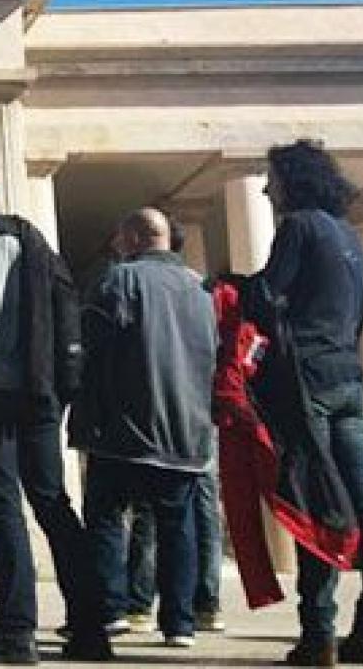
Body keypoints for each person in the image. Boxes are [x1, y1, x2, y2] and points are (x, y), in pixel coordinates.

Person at [0, 154, 110, 664]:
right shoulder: (23, 236)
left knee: (2, 504)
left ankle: (15, 629)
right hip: (38, 386)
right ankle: (92, 626)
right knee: (52, 501)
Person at [249, 140, 363, 667]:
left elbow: (268, 298)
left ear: (293, 179)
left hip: (309, 379)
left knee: (316, 503)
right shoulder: (347, 236)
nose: (267, 188)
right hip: (348, 379)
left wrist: (233, 290)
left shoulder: (300, 226)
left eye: (272, 178)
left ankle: (318, 633)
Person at [74, 208, 218, 649]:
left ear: (136, 237)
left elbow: (93, 350)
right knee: (177, 525)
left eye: (119, 236)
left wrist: (84, 412)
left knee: (105, 517)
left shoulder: (119, 280)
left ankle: (111, 609)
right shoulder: (200, 289)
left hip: (124, 427)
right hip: (186, 430)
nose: (115, 244)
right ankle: (179, 623)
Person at [120, 217, 225, 634]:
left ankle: (142, 602)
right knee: (198, 510)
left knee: (154, 511)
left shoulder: (136, 283)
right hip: (200, 415)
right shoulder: (201, 289)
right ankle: (201, 605)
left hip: (160, 414)